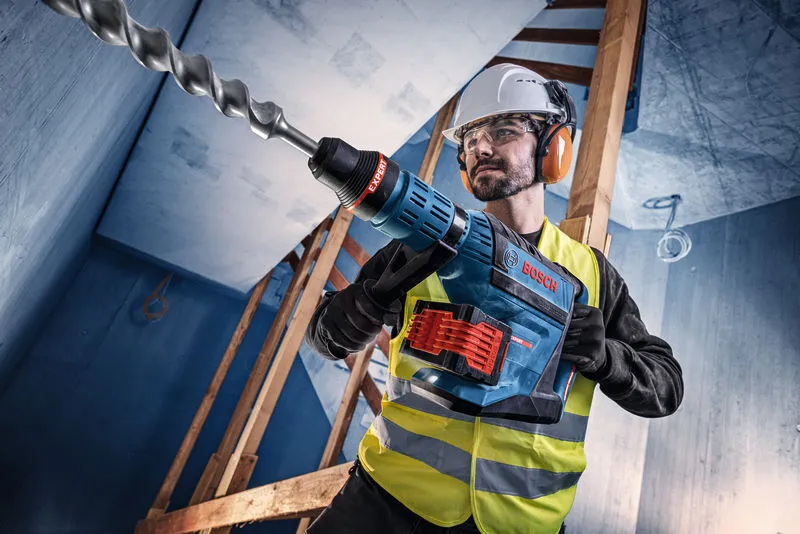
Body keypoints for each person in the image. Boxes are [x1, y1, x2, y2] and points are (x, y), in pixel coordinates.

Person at [303, 63, 683, 534]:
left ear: (552, 146)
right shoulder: (424, 241)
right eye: (470, 140)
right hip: (387, 502)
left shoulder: (593, 275)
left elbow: (666, 389)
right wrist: (353, 311)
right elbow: (323, 338)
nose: (481, 148)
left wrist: (608, 357)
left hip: (520, 525)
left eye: (503, 130)